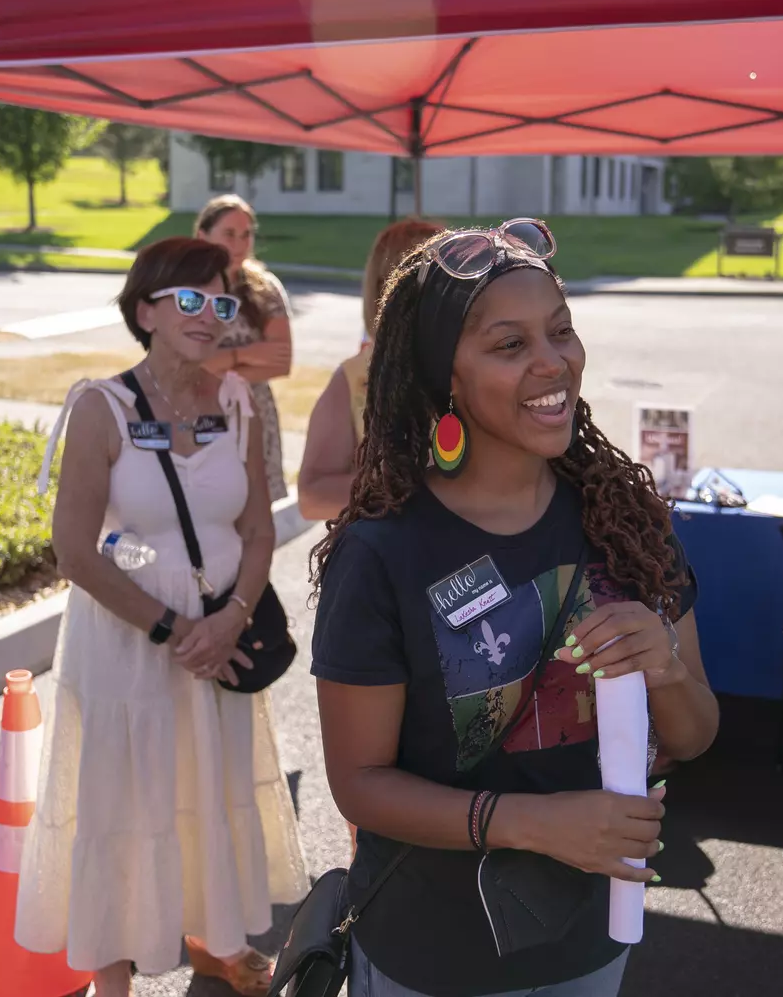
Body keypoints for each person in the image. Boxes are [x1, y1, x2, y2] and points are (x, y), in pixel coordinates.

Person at [309, 219, 721, 997]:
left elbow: (696, 733)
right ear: (446, 378)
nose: (553, 360)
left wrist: (663, 663)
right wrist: (537, 823)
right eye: (510, 344)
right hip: (429, 953)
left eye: (561, 330)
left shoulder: (625, 518)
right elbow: (359, 782)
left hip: (592, 947)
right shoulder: (381, 553)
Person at [17, 236, 307, 997]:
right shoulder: (99, 406)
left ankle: (213, 947)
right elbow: (75, 551)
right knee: (118, 809)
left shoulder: (238, 402)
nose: (208, 315)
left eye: (220, 301)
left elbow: (258, 527)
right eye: (188, 299)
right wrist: (175, 631)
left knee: (202, 797)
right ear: (144, 309)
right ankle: (113, 985)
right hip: (126, 650)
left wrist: (234, 617)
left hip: (220, 642)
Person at [298, 217, 446, 521]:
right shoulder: (355, 379)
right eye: (426, 277)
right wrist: (416, 486)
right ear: (385, 290)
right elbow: (312, 496)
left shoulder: (482, 366)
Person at [195, 194, 293, 504]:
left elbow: (281, 362)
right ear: (202, 236)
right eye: (229, 234)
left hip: (254, 414)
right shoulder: (188, 290)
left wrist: (218, 362)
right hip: (201, 415)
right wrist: (245, 354)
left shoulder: (265, 288)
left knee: (257, 517)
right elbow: (187, 365)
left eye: (246, 234)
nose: (239, 244)